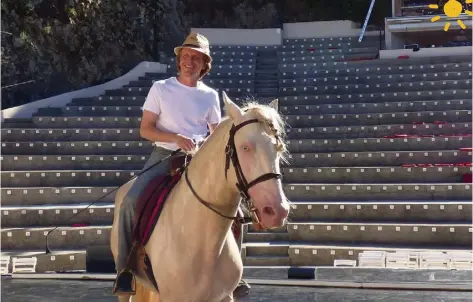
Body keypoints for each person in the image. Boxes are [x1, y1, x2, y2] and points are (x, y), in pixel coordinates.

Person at [113, 32, 251, 298]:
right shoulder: (161, 88)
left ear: (204, 64)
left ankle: (235, 273)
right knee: (130, 201)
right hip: (164, 156)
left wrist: (205, 145)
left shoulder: (210, 96)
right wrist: (175, 138)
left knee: (235, 208)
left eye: (196, 58)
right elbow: (146, 129)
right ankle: (125, 270)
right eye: (186, 56)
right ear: (179, 60)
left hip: (198, 160)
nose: (190, 61)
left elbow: (215, 135)